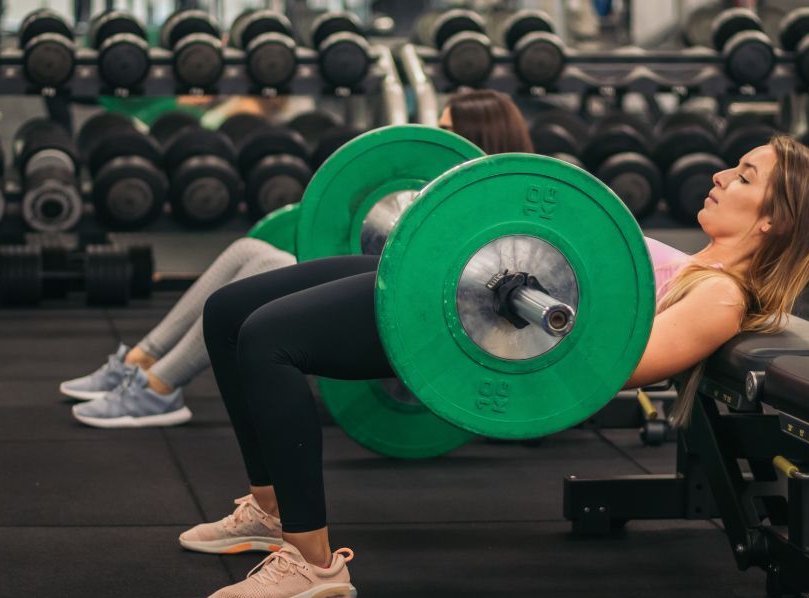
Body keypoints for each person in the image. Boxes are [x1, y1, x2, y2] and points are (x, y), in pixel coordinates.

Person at [183, 114, 809, 598]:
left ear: (774, 223)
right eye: (734, 167)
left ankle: (312, 562)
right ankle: (268, 508)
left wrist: (541, 305)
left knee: (267, 340)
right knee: (229, 311)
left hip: (473, 326)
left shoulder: (723, 295)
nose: (722, 177)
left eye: (745, 177)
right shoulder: (699, 263)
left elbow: (623, 364)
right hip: (468, 277)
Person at [59, 90, 533, 428]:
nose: (435, 140)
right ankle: (143, 364)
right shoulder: (443, 201)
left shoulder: (498, 217)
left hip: (424, 329)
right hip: (391, 296)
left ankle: (159, 389)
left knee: (265, 267)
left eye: (448, 132)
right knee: (250, 250)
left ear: (477, 140)